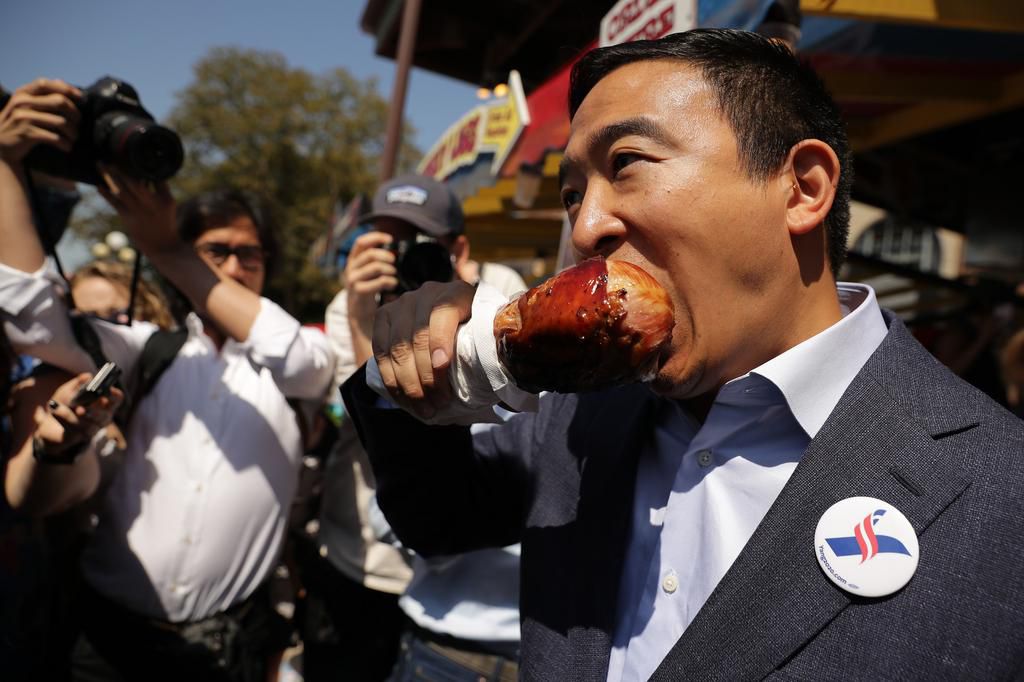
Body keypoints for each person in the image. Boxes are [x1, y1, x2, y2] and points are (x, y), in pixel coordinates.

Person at [343, 29, 1024, 681]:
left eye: (627, 164)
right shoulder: (583, 412)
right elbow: (438, 518)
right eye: (573, 195)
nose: (585, 229)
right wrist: (398, 365)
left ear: (803, 188)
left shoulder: (999, 490)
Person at [0, 78, 334, 682]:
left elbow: (297, 357)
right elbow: (35, 321)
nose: (232, 266)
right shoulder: (143, 350)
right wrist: (5, 166)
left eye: (248, 255)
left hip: (224, 652)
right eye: (213, 251)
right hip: (104, 643)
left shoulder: (303, 358)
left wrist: (169, 250)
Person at [306, 173, 524, 680]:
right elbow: (375, 422)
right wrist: (366, 321)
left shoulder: (495, 294)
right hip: (361, 553)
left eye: (418, 243)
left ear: (459, 247)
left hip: (457, 570)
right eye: (386, 241)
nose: (401, 255)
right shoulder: (349, 305)